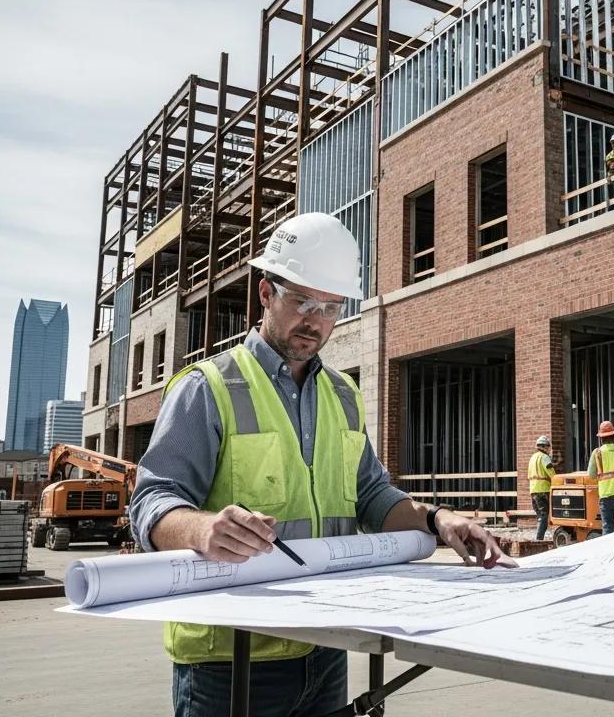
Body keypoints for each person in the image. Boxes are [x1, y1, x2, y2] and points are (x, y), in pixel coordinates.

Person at [129, 212, 512, 717]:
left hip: (326, 647)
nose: (316, 321)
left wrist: (438, 520)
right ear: (265, 293)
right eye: (302, 301)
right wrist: (202, 530)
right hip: (230, 657)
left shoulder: (344, 394)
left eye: (331, 307)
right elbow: (152, 501)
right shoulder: (209, 387)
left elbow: (372, 495)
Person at [528, 435, 556, 540]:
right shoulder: (544, 457)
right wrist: (557, 480)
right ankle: (539, 539)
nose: (549, 449)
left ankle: (539, 538)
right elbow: (551, 472)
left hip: (533, 490)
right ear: (544, 446)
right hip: (543, 489)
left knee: (539, 515)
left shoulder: (532, 457)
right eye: (548, 447)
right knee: (544, 515)